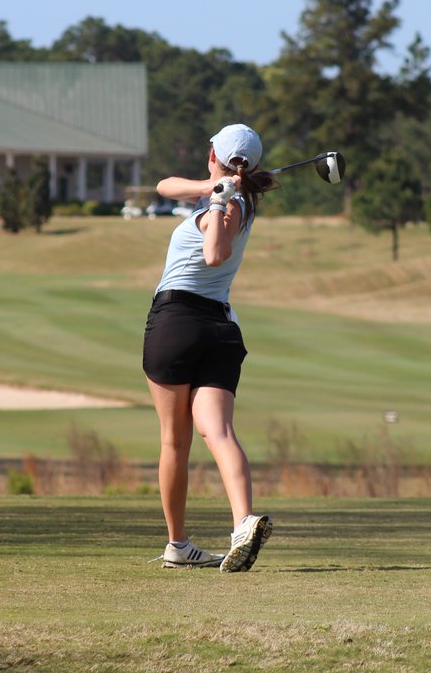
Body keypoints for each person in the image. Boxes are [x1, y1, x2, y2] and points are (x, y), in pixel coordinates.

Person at [143, 124, 277, 572]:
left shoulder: (230, 204)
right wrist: (211, 188)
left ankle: (178, 544)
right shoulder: (235, 197)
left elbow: (214, 254)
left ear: (212, 153)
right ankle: (242, 522)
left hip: (177, 322)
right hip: (219, 328)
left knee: (174, 440)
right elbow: (164, 186)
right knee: (217, 431)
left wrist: (218, 198)